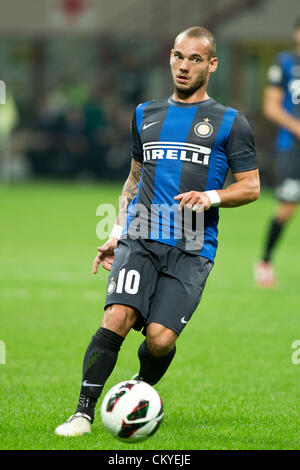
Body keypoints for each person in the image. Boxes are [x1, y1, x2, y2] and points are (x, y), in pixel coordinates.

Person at [55, 26, 260, 437]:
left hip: (192, 246)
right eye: (179, 57)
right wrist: (116, 231)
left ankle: (140, 388)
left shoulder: (230, 122)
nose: (184, 66)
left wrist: (212, 197)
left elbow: (251, 186)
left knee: (161, 339)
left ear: (212, 64)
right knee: (116, 316)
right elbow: (133, 179)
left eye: (196, 59)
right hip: (141, 237)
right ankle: (82, 413)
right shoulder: (144, 114)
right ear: (170, 57)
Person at [255, 18, 300, 287]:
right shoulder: (285, 64)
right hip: (291, 147)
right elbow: (270, 106)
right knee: (287, 206)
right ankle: (265, 261)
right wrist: (296, 126)